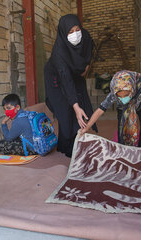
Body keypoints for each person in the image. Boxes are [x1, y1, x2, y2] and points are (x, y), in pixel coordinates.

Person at [44, 14, 97, 157]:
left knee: (79, 100)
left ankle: (70, 143)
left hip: (73, 73)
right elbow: (65, 79)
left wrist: (85, 67)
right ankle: (68, 148)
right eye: (70, 32)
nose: (76, 34)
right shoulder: (59, 53)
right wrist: (75, 106)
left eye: (77, 29)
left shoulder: (85, 37)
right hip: (55, 78)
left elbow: (89, 51)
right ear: (63, 33)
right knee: (65, 110)